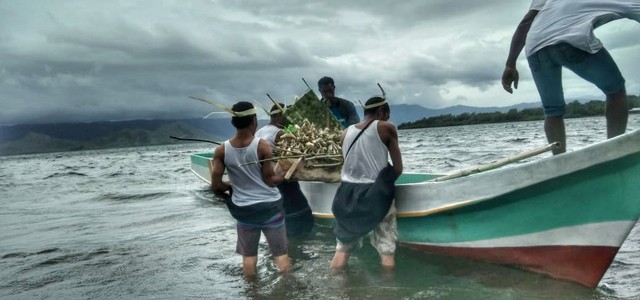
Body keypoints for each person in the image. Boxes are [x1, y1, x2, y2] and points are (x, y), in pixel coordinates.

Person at [502, 0, 640, 155]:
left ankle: (560, 162)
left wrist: (510, 63)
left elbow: (525, 23)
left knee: (552, 110)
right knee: (615, 89)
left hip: (535, 46)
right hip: (570, 39)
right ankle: (615, 150)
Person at [209, 101, 291, 277]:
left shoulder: (222, 150)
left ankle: (252, 292)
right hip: (270, 207)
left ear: (233, 122)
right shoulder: (262, 146)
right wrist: (284, 172)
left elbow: (215, 185)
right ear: (254, 120)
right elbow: (270, 181)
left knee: (249, 256)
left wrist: (230, 186)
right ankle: (287, 290)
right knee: (280, 254)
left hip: (244, 210)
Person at [330, 96, 403, 271]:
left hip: (346, 196)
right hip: (374, 195)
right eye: (387, 115)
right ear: (381, 112)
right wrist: (384, 183)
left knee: (342, 249)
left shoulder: (344, 133)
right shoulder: (386, 128)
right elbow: (398, 169)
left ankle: (337, 290)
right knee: (386, 250)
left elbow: (349, 166)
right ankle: (388, 292)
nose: (388, 119)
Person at [255, 103, 315, 238]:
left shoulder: (260, 131)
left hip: (265, 183)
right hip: (282, 182)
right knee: (300, 219)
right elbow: (294, 156)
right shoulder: (279, 133)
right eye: (288, 117)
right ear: (281, 117)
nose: (290, 120)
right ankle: (298, 251)